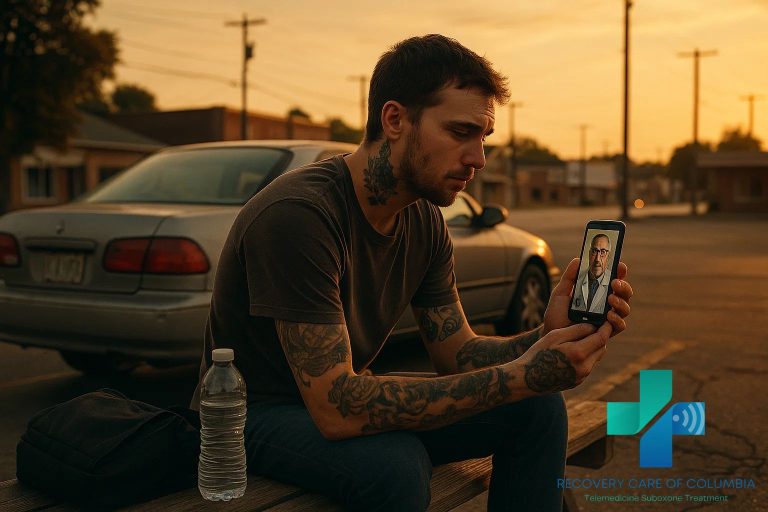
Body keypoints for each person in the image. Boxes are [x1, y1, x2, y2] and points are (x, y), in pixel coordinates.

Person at [191, 34, 634, 512]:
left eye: (482, 139)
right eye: (460, 132)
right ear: (395, 119)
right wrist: (522, 375)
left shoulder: (422, 220)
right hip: (248, 416)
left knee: (538, 408)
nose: (477, 159)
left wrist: (547, 335)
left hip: (332, 398)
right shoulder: (300, 214)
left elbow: (459, 354)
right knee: (394, 464)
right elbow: (337, 406)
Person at [572, 234, 612, 314]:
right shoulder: (576, 280)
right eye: (594, 251)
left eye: (602, 252)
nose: (597, 259)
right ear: (589, 253)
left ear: (608, 256)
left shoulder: (613, 283)